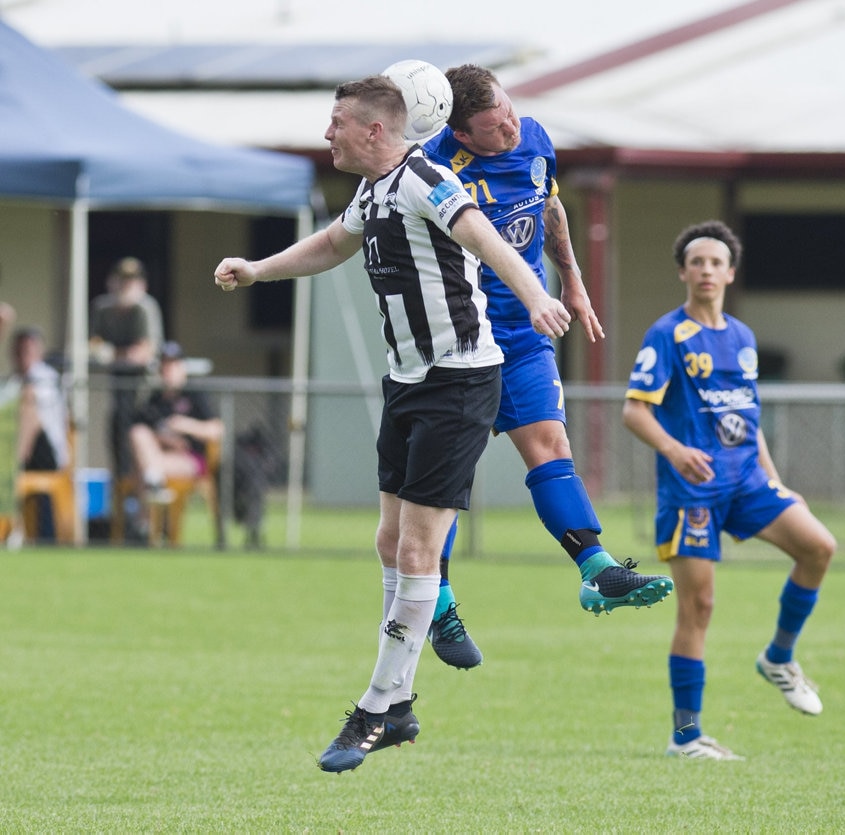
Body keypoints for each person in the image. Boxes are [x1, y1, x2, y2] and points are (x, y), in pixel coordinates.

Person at [213, 74, 572, 774]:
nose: (328, 133)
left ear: (375, 130)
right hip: (409, 383)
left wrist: (535, 295)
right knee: (389, 541)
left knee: (418, 554)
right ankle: (401, 704)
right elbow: (328, 245)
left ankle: (376, 708)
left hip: (461, 382)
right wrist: (256, 270)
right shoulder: (373, 191)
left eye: (337, 121)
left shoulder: (423, 178)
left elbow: (483, 235)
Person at [420, 64, 673, 670]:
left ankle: (599, 571)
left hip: (528, 335)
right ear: (461, 135)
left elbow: (551, 207)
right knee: (445, 482)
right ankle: (438, 603)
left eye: (509, 111)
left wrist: (573, 281)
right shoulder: (432, 170)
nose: (509, 126)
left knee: (551, 446)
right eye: (492, 125)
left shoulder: (533, 136)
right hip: (461, 337)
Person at [621, 220, 837, 760]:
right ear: (683, 272)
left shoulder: (742, 337)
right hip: (692, 492)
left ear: (731, 273)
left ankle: (779, 658)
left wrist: (776, 478)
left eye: (716, 262)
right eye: (697, 262)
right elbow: (634, 410)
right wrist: (674, 450)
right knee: (699, 607)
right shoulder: (667, 335)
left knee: (818, 546)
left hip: (746, 480)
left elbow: (747, 416)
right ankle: (686, 736)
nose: (706, 270)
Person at [128, 341, 223, 523]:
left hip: (191, 460)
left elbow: (216, 430)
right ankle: (154, 487)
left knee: (144, 469)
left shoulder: (195, 394)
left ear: (182, 367)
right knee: (138, 433)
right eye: (165, 364)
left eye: (173, 364)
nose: (168, 369)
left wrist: (185, 425)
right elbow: (139, 433)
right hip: (160, 457)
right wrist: (165, 439)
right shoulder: (154, 400)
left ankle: (144, 524)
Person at [90, 257, 164, 481]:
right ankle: (122, 498)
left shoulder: (145, 307)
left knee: (138, 437)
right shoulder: (103, 308)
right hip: (117, 389)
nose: (126, 286)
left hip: (145, 392)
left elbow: (143, 352)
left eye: (132, 281)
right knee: (116, 438)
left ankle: (142, 492)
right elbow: (94, 345)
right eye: (122, 280)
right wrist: (119, 354)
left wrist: (113, 353)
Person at [10, 326, 70, 541]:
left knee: (28, 406)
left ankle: (13, 463)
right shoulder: (13, 380)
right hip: (17, 450)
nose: (22, 355)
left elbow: (32, 417)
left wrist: (17, 456)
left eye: (28, 350)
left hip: (47, 453)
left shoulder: (44, 377)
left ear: (38, 352)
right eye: (18, 350)